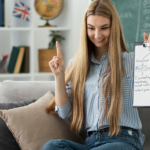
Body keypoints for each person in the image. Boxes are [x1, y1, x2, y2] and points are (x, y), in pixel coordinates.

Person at [42, 0, 150, 149]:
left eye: (104, 28)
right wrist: (59, 76)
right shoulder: (76, 65)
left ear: (114, 27)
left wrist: (147, 58)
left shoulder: (132, 60)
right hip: (91, 143)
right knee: (51, 146)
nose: (97, 34)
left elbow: (147, 94)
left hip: (124, 141)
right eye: (91, 28)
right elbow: (64, 112)